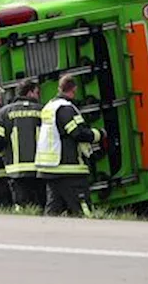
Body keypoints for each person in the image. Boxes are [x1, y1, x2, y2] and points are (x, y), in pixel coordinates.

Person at [35, 73, 105, 217]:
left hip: (50, 168)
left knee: (53, 211)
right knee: (83, 210)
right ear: (74, 89)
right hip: (69, 168)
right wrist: (98, 134)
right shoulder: (66, 108)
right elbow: (78, 133)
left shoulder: (49, 107)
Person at [0, 79, 45, 210]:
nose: (38, 96)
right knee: (42, 206)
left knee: (22, 208)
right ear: (30, 93)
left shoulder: (4, 113)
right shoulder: (43, 111)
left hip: (16, 171)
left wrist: (3, 153)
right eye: (37, 93)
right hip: (40, 169)